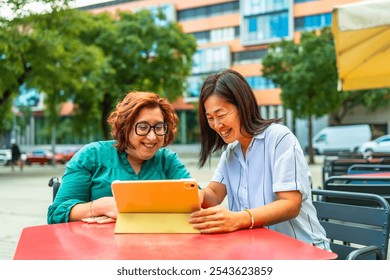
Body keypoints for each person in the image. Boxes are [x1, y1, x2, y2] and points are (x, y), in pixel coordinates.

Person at [189, 69, 330, 250]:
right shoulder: (230, 153)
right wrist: (197, 194)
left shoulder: (280, 138)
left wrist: (238, 219)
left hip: (302, 251)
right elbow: (214, 195)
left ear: (243, 106)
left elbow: (290, 203)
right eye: (210, 118)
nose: (217, 125)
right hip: (258, 250)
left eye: (221, 114)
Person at [47, 91, 192, 224]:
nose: (152, 136)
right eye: (142, 127)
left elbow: (195, 201)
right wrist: (99, 207)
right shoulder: (91, 156)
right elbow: (56, 213)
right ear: (125, 128)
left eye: (159, 127)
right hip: (97, 247)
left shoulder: (168, 160)